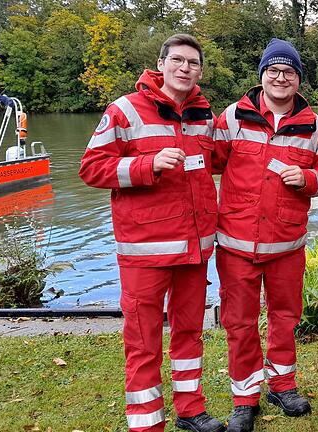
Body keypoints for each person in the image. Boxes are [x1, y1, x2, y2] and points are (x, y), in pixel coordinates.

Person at [79, 34, 224, 432]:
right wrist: (147, 165)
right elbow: (91, 168)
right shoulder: (125, 110)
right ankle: (146, 423)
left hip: (194, 249)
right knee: (143, 342)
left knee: (190, 333)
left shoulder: (204, 116)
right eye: (177, 60)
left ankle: (191, 411)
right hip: (144, 250)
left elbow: (218, 163)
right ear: (160, 64)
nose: (184, 68)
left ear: (200, 71)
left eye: (193, 63)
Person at [212, 38, 318, 432]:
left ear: (298, 80)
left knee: (285, 317)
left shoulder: (314, 126)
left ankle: (282, 384)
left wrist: (306, 179)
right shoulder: (232, 118)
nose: (280, 77)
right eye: (273, 70)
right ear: (262, 76)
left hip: (287, 245)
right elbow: (208, 165)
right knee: (240, 321)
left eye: (289, 72)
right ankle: (245, 396)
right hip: (235, 243)